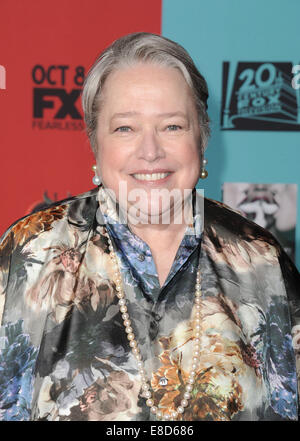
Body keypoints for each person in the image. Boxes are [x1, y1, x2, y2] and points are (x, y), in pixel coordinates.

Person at [0, 32, 299, 422]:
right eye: (125, 128)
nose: (151, 151)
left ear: (201, 138)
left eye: (172, 126)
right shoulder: (31, 251)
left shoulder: (259, 258)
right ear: (95, 143)